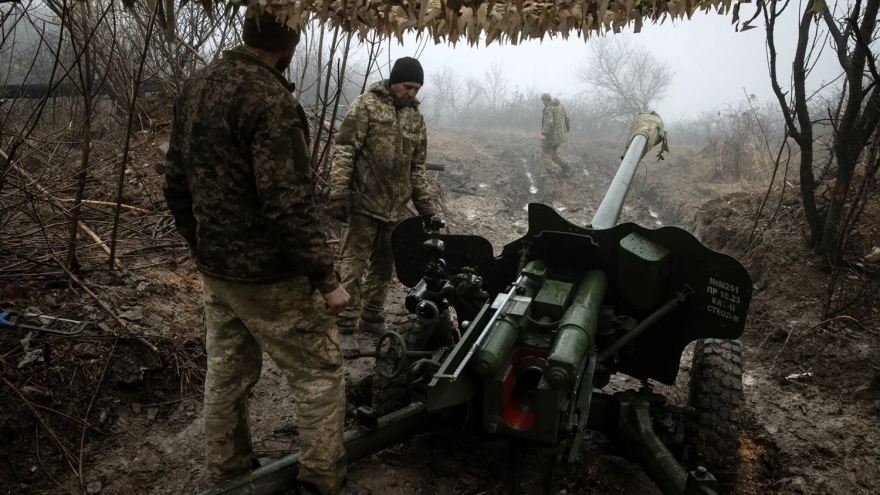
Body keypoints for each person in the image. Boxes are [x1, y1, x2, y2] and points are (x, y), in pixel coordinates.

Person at [162, 10, 368, 495]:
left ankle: (228, 474)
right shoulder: (270, 99)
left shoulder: (196, 86)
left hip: (217, 271)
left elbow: (175, 183)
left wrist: (202, 245)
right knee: (319, 372)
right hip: (270, 276)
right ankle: (322, 480)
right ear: (289, 45)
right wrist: (326, 280)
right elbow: (286, 204)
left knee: (226, 375)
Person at [329, 57, 435, 347]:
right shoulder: (366, 105)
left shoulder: (416, 119)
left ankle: (372, 316)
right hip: (363, 204)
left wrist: (426, 207)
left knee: (384, 267)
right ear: (394, 81)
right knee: (353, 266)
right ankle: (346, 325)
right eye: (407, 86)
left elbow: (417, 167)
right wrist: (339, 193)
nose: (411, 93)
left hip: (396, 210)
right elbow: (345, 150)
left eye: (417, 89)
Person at [540, 92, 573, 176]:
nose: (543, 102)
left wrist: (543, 133)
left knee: (545, 154)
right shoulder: (561, 106)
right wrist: (566, 130)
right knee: (553, 154)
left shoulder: (549, 109)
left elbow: (549, 122)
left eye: (543, 100)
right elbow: (567, 119)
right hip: (561, 136)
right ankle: (566, 166)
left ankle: (551, 173)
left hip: (552, 137)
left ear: (546, 100)